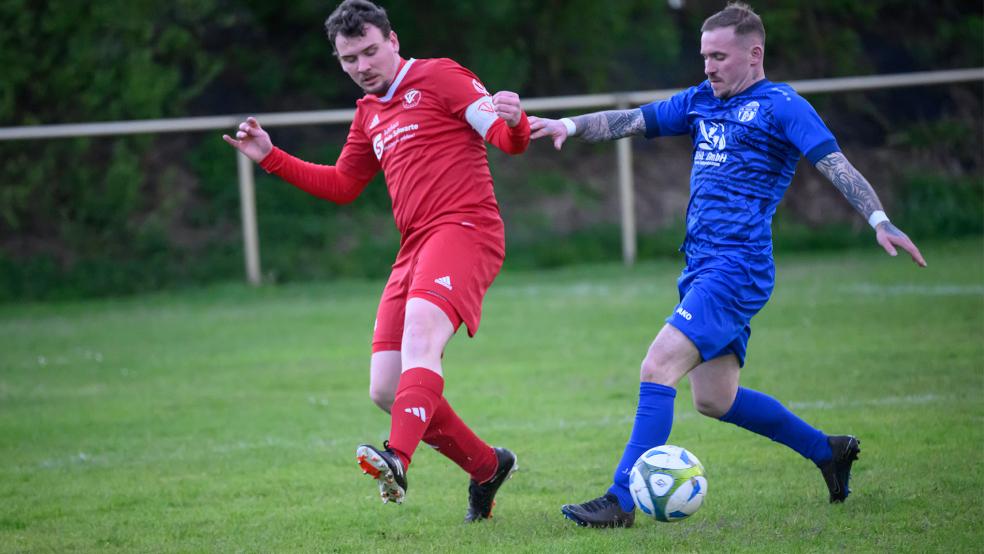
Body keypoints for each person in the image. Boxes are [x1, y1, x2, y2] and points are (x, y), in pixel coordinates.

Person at [529, 1, 926, 528]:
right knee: (715, 399)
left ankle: (620, 501)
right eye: (704, 56)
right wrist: (569, 125)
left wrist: (878, 217)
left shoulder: (782, 105)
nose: (708, 66)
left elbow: (835, 163)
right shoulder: (700, 100)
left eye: (719, 56)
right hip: (699, 266)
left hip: (737, 267)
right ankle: (827, 451)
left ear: (753, 54)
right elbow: (632, 119)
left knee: (657, 366)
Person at [222, 0, 530, 522]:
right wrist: (271, 157)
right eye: (349, 59)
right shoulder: (368, 114)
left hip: (465, 229)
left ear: (393, 41)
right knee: (386, 387)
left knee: (420, 343)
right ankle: (486, 466)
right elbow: (343, 185)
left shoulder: (442, 77)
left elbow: (506, 140)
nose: (362, 66)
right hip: (414, 247)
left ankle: (397, 457)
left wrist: (516, 121)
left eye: (369, 51)